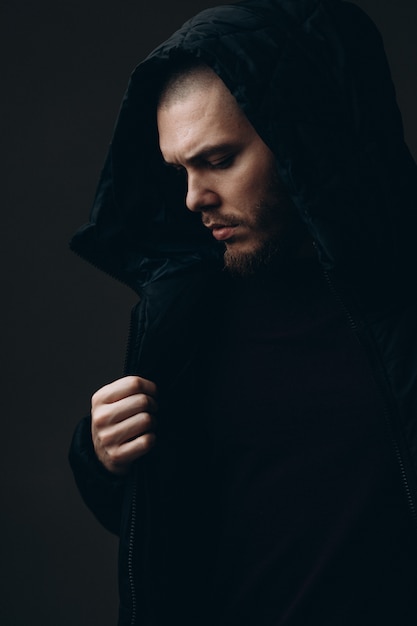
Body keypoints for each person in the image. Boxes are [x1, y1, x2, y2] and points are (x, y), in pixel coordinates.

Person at [69, 1, 417, 624]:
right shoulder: (184, 316)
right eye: (178, 169)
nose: (194, 198)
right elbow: (170, 535)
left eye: (219, 160)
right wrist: (102, 456)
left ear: (304, 137)